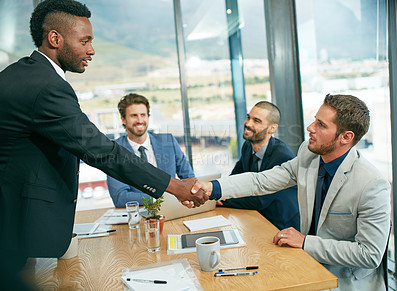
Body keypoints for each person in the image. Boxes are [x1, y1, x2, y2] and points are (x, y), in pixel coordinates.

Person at [0, 1, 206, 289]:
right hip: (10, 224)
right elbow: (100, 150)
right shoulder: (46, 86)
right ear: (55, 39)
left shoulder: (24, 73)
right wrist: (174, 186)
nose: (91, 50)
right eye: (84, 41)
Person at [192, 94, 391, 290]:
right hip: (305, 262)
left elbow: (369, 254)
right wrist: (212, 187)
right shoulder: (309, 153)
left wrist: (305, 242)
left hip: (346, 280)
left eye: (321, 125)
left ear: (346, 137)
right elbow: (262, 181)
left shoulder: (372, 184)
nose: (310, 128)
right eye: (314, 120)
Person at [218, 101, 299, 230]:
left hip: (282, 225)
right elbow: (235, 177)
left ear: (272, 128)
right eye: (248, 117)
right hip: (258, 218)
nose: (248, 123)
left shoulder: (282, 156)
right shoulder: (247, 146)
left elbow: (260, 200)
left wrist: (222, 199)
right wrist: (220, 190)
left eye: (256, 121)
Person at [107, 93, 194, 208]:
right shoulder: (114, 150)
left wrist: (204, 195)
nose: (139, 120)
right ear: (123, 119)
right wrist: (163, 198)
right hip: (139, 213)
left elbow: (189, 178)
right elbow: (120, 197)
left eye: (143, 115)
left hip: (172, 210)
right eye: (134, 115)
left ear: (148, 117)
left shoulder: (168, 141)